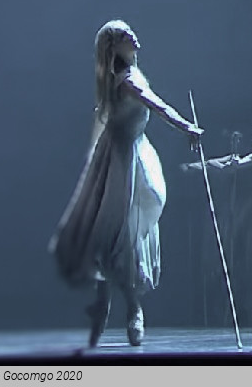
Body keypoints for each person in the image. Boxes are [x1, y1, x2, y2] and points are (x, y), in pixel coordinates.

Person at [49, 20, 203, 348]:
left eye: (129, 31)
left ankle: (115, 305)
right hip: (121, 160)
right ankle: (125, 308)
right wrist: (187, 126)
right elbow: (157, 106)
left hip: (130, 152)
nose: (133, 36)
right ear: (114, 47)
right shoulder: (128, 80)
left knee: (121, 234)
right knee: (118, 233)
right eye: (123, 35)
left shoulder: (124, 74)